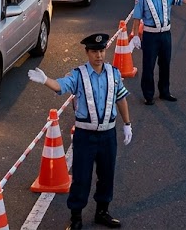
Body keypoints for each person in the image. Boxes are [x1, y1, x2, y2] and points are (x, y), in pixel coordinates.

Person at [26, 34, 132, 230]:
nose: (98, 55)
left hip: (108, 135)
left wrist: (127, 124)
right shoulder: (78, 75)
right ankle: (76, 217)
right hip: (85, 136)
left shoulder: (114, 73)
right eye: (94, 51)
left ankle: (102, 211)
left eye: (101, 51)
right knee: (81, 177)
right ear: (87, 53)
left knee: (107, 175)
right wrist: (45, 80)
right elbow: (60, 86)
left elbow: (121, 98)